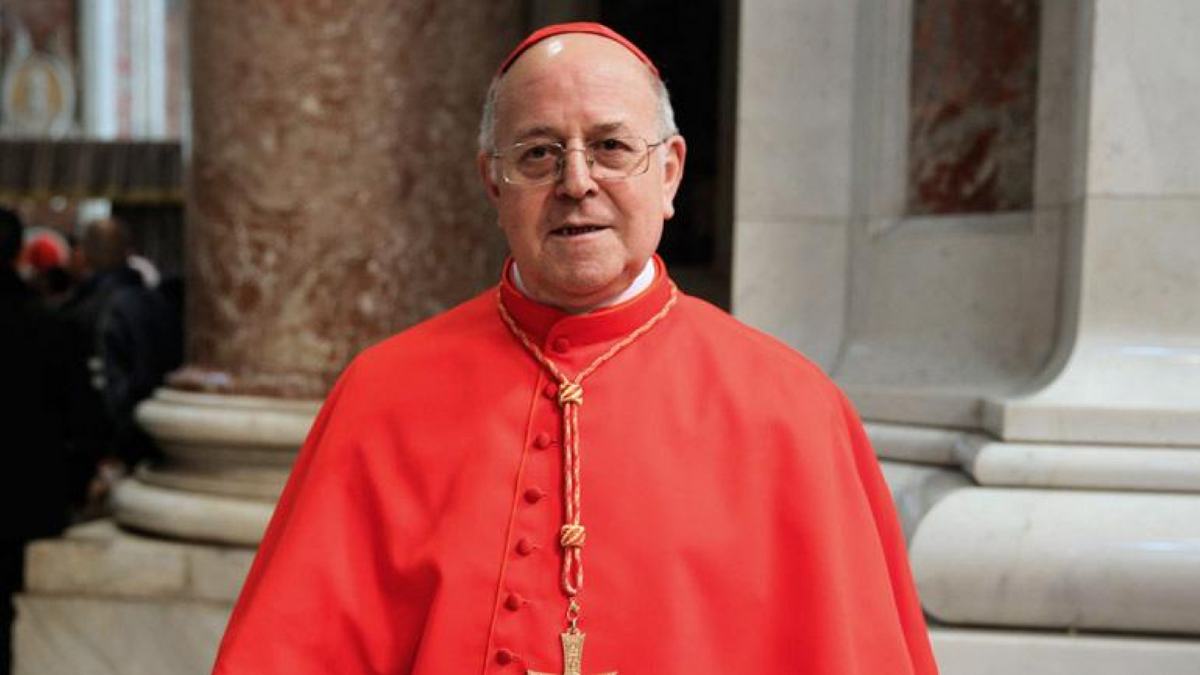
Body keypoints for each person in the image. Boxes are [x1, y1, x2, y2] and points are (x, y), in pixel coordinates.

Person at [212, 23, 938, 675]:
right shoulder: (382, 395)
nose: (577, 182)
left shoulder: (795, 412)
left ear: (670, 172)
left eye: (612, 147)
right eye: (538, 154)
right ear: (492, 184)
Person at [0, 207, 103, 675]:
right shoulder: (50, 326)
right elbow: (86, 421)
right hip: (23, 507)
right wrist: (73, 486)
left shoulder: (52, 323)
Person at [61, 217, 183, 469]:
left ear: (84, 255)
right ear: (128, 252)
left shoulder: (88, 311)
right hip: (156, 436)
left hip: (111, 447)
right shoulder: (158, 303)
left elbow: (108, 387)